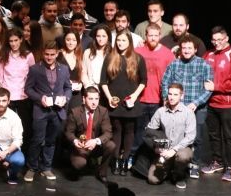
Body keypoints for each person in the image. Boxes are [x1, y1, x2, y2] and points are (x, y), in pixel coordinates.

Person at [161, 35, 213, 179]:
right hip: (178, 106)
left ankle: (194, 164)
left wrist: (195, 103)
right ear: (180, 49)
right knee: (176, 135)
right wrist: (168, 99)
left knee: (196, 138)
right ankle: (176, 164)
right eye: (184, 48)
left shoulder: (204, 65)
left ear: (195, 49)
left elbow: (208, 89)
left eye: (190, 48)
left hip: (197, 107)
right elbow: (165, 83)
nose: (187, 50)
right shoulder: (174, 64)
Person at [202, 26, 231, 182]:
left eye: (220, 39)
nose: (216, 43)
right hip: (211, 103)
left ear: (226, 39)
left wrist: (216, 86)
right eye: (214, 40)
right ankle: (217, 162)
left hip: (228, 105)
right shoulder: (209, 54)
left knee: (229, 138)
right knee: (213, 136)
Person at [24, 41, 72, 182]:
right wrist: (40, 98)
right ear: (43, 54)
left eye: (52, 54)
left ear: (57, 54)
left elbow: (68, 87)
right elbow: (28, 89)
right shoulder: (35, 69)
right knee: (37, 140)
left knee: (51, 141)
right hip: (41, 110)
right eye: (47, 54)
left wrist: (66, 98)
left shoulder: (63, 69)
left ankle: (46, 167)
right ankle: (32, 167)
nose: (49, 57)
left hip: (57, 111)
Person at [100, 31, 147, 176]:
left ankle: (125, 160)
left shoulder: (138, 58)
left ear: (129, 42)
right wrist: (109, 98)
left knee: (129, 130)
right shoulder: (110, 57)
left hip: (130, 102)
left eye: (124, 40)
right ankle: (115, 160)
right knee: (117, 130)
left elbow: (144, 81)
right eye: (118, 40)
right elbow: (103, 81)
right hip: (114, 102)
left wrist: (134, 96)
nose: (120, 43)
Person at [134, 83, 196, 189]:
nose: (171, 97)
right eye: (170, 94)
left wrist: (174, 150)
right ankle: (169, 169)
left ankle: (179, 176)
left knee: (183, 156)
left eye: (175, 94)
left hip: (181, 149)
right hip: (164, 151)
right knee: (152, 179)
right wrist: (156, 147)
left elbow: (190, 137)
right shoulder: (161, 111)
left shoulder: (188, 113)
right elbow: (149, 131)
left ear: (182, 96)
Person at [131, 23, 175, 167]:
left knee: (156, 134)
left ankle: (153, 161)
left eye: (156, 35)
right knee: (138, 131)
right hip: (140, 98)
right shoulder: (137, 51)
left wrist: (168, 99)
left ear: (160, 36)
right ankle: (133, 158)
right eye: (150, 35)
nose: (153, 38)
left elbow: (172, 78)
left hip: (158, 100)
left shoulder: (167, 54)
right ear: (146, 35)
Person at [64, 87, 115, 184]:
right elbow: (68, 132)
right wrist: (75, 141)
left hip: (95, 146)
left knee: (111, 145)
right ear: (84, 99)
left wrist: (95, 141)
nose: (94, 102)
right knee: (79, 164)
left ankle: (102, 173)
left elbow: (108, 132)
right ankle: (77, 165)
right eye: (90, 99)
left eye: (96, 99)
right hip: (80, 147)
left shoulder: (103, 111)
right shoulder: (75, 112)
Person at [0, 28, 35, 146]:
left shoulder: (28, 55)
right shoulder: (2, 55)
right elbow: (0, 76)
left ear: (21, 40)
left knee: (25, 127)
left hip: (24, 96)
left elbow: (32, 75)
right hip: (8, 97)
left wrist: (28, 91)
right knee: (7, 127)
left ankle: (24, 153)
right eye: (11, 41)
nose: (13, 43)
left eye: (16, 40)